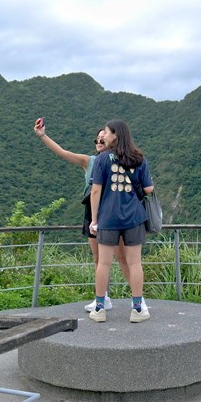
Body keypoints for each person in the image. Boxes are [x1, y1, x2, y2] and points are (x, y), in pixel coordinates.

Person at [33, 118, 142, 312]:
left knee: (124, 257)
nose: (99, 142)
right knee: (99, 259)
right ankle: (103, 298)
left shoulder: (119, 160)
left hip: (111, 213)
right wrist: (43, 136)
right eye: (97, 140)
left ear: (111, 140)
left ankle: (138, 300)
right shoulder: (90, 161)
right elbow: (62, 153)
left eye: (103, 139)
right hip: (92, 211)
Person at [88, 119, 154, 323]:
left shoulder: (101, 159)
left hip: (108, 218)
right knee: (135, 263)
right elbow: (149, 189)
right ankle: (137, 309)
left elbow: (96, 190)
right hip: (134, 217)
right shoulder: (139, 158)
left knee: (104, 263)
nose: (103, 136)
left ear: (115, 135)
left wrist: (94, 219)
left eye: (106, 133)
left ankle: (99, 309)